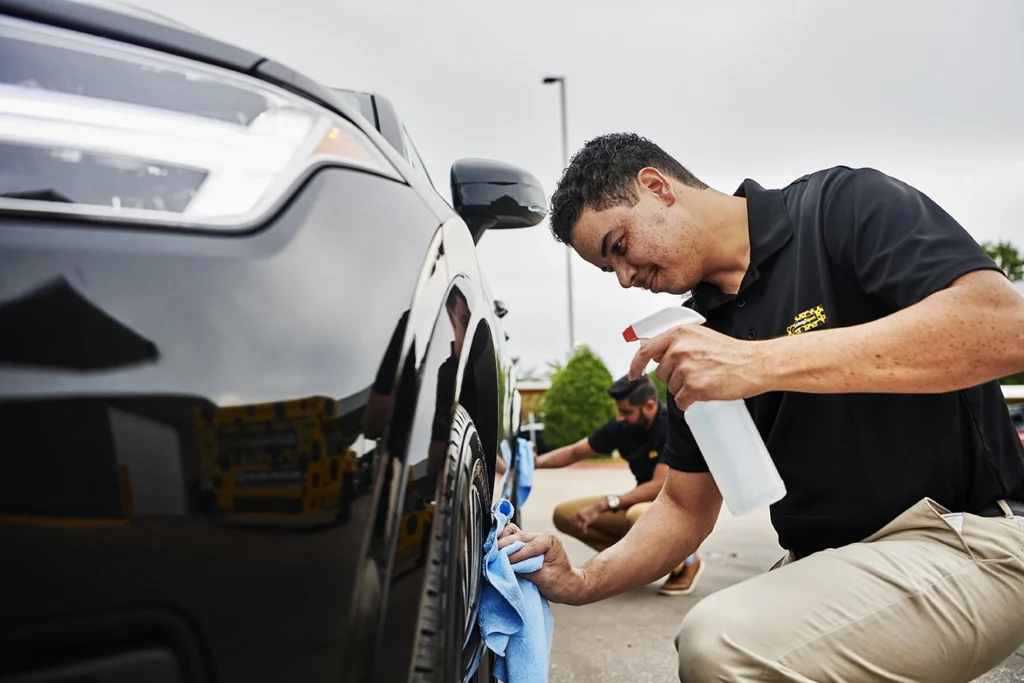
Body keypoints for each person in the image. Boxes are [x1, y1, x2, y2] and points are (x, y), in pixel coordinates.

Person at [498, 132, 1024, 682]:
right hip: (828, 565)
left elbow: (1002, 329)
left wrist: (757, 364)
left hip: (968, 538)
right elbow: (683, 508)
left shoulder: (839, 207)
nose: (626, 278)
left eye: (619, 246)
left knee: (721, 644)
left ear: (656, 187)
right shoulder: (697, 335)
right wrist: (583, 582)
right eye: (612, 272)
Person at [535, 374, 703, 595]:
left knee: (636, 515)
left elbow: (658, 485)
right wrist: (534, 463)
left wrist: (606, 504)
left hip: (673, 503)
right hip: (641, 502)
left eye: (626, 412)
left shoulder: (671, 426)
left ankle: (686, 560)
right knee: (566, 515)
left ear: (649, 405)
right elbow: (576, 451)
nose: (620, 417)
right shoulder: (622, 426)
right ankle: (634, 566)